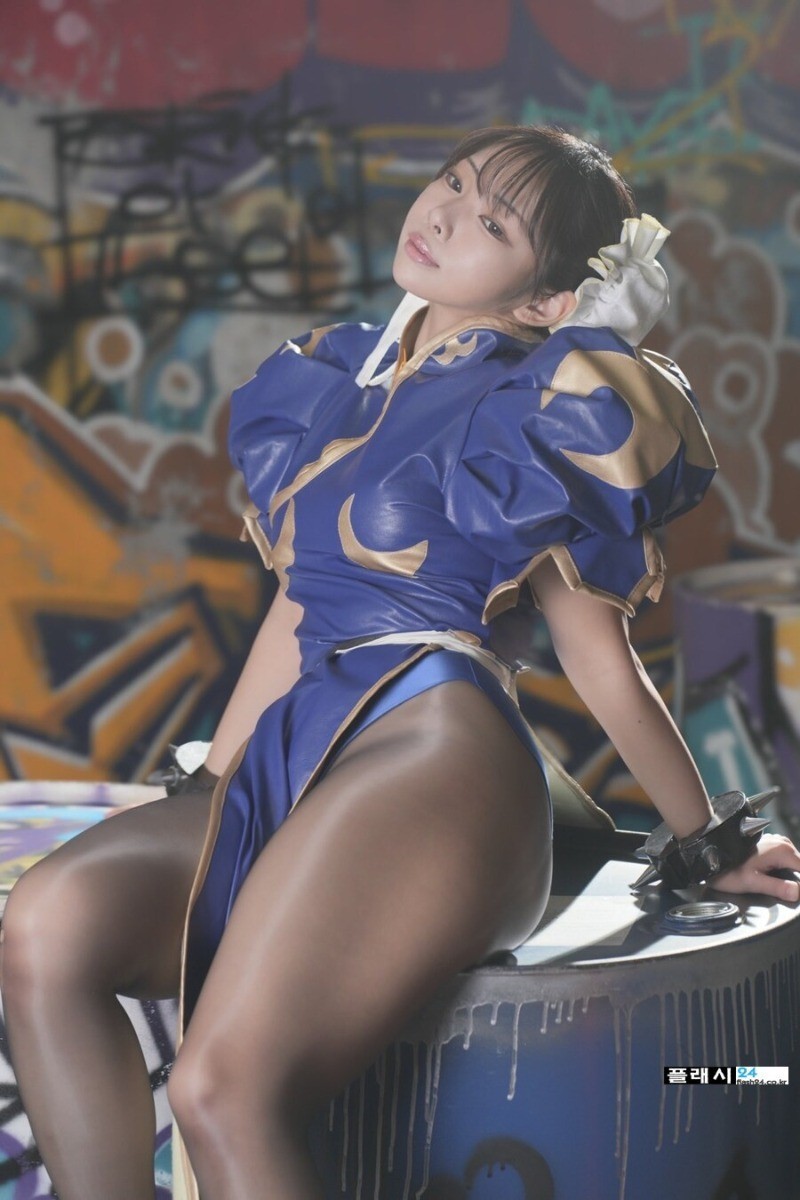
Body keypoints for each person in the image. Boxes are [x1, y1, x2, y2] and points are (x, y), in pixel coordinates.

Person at [2, 125, 799, 1200]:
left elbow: (598, 659)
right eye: (453, 182)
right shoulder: (340, 385)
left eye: (492, 222)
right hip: (302, 749)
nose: (444, 213)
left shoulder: (537, 410)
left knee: (221, 1090)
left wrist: (707, 843)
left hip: (439, 761)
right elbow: (298, 610)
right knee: (47, 928)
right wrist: (214, 781)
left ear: (545, 301)